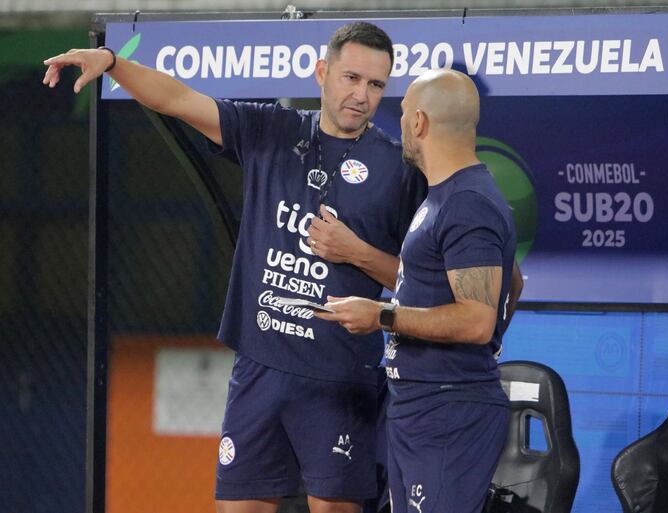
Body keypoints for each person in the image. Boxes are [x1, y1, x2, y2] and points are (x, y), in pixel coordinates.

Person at [44, 22, 426, 513]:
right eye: (351, 78)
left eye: (375, 85)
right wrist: (115, 64)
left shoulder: (398, 168)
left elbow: (418, 282)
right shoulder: (271, 130)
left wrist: (355, 252)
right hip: (259, 369)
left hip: (340, 378)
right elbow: (179, 98)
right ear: (321, 73)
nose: (361, 95)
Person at [316, 68, 521, 513]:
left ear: (419, 123)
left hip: (448, 413)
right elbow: (513, 282)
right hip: (419, 407)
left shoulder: (468, 203)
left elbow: (478, 318)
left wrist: (381, 315)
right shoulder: (443, 197)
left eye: (405, 112)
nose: (402, 122)